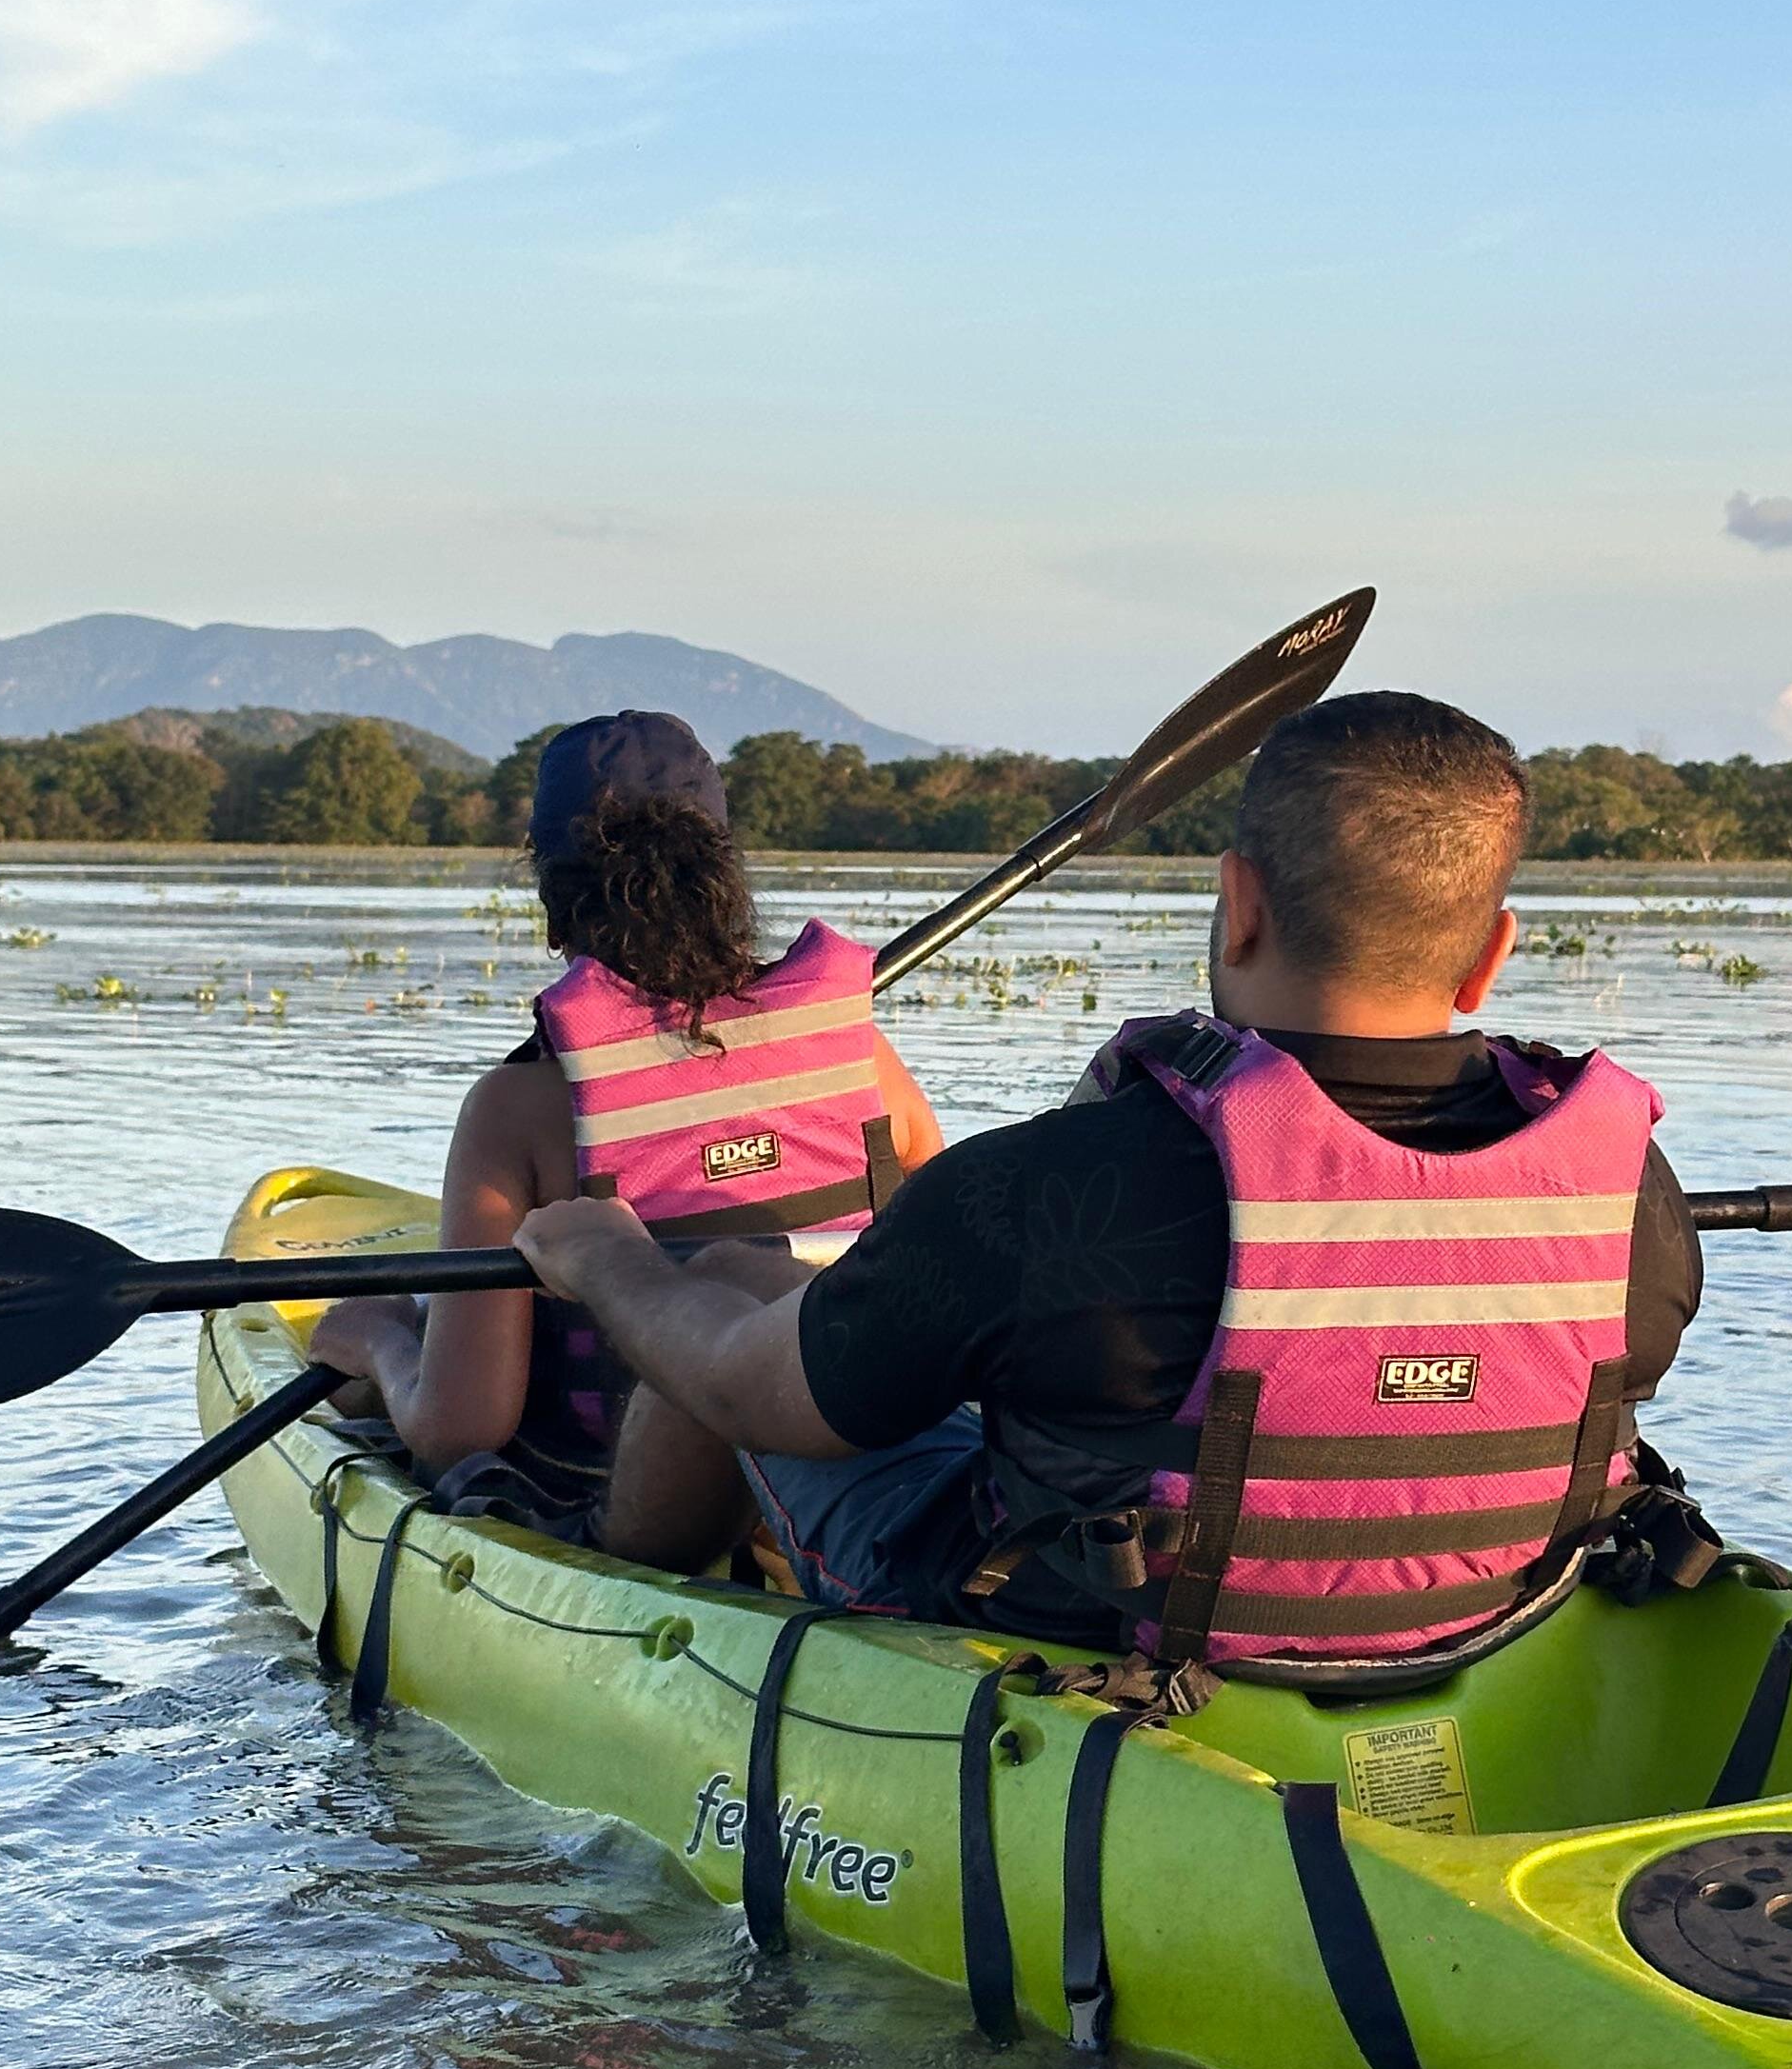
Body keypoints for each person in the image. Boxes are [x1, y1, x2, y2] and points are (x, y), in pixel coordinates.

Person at [510, 690, 1701, 1680]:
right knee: (795, 1300)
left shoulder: (1049, 1190)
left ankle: (623, 1610)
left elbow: (743, 1391)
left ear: (1237, 906)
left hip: (1084, 1625)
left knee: (724, 1300)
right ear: (1492, 953)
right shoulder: (1630, 1198)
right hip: (1474, 1625)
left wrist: (610, 1260)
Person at [308, 709, 945, 1551]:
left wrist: (381, 1342)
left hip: (649, 1525)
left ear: (551, 899)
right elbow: (943, 1290)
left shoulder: (520, 1108)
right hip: (854, 1505)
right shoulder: (864, 1056)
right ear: (725, 875)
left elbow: (462, 1427)